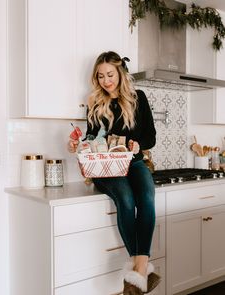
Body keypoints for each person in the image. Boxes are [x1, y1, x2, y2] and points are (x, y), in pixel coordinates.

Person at [68, 51, 160, 294]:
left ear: (120, 73)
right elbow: (90, 139)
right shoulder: (95, 103)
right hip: (106, 167)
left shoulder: (138, 98)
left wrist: (139, 145)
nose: (106, 81)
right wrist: (77, 144)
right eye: (100, 76)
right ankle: (141, 271)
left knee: (147, 198)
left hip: (135, 162)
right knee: (126, 200)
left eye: (110, 74)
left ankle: (138, 272)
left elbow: (150, 136)